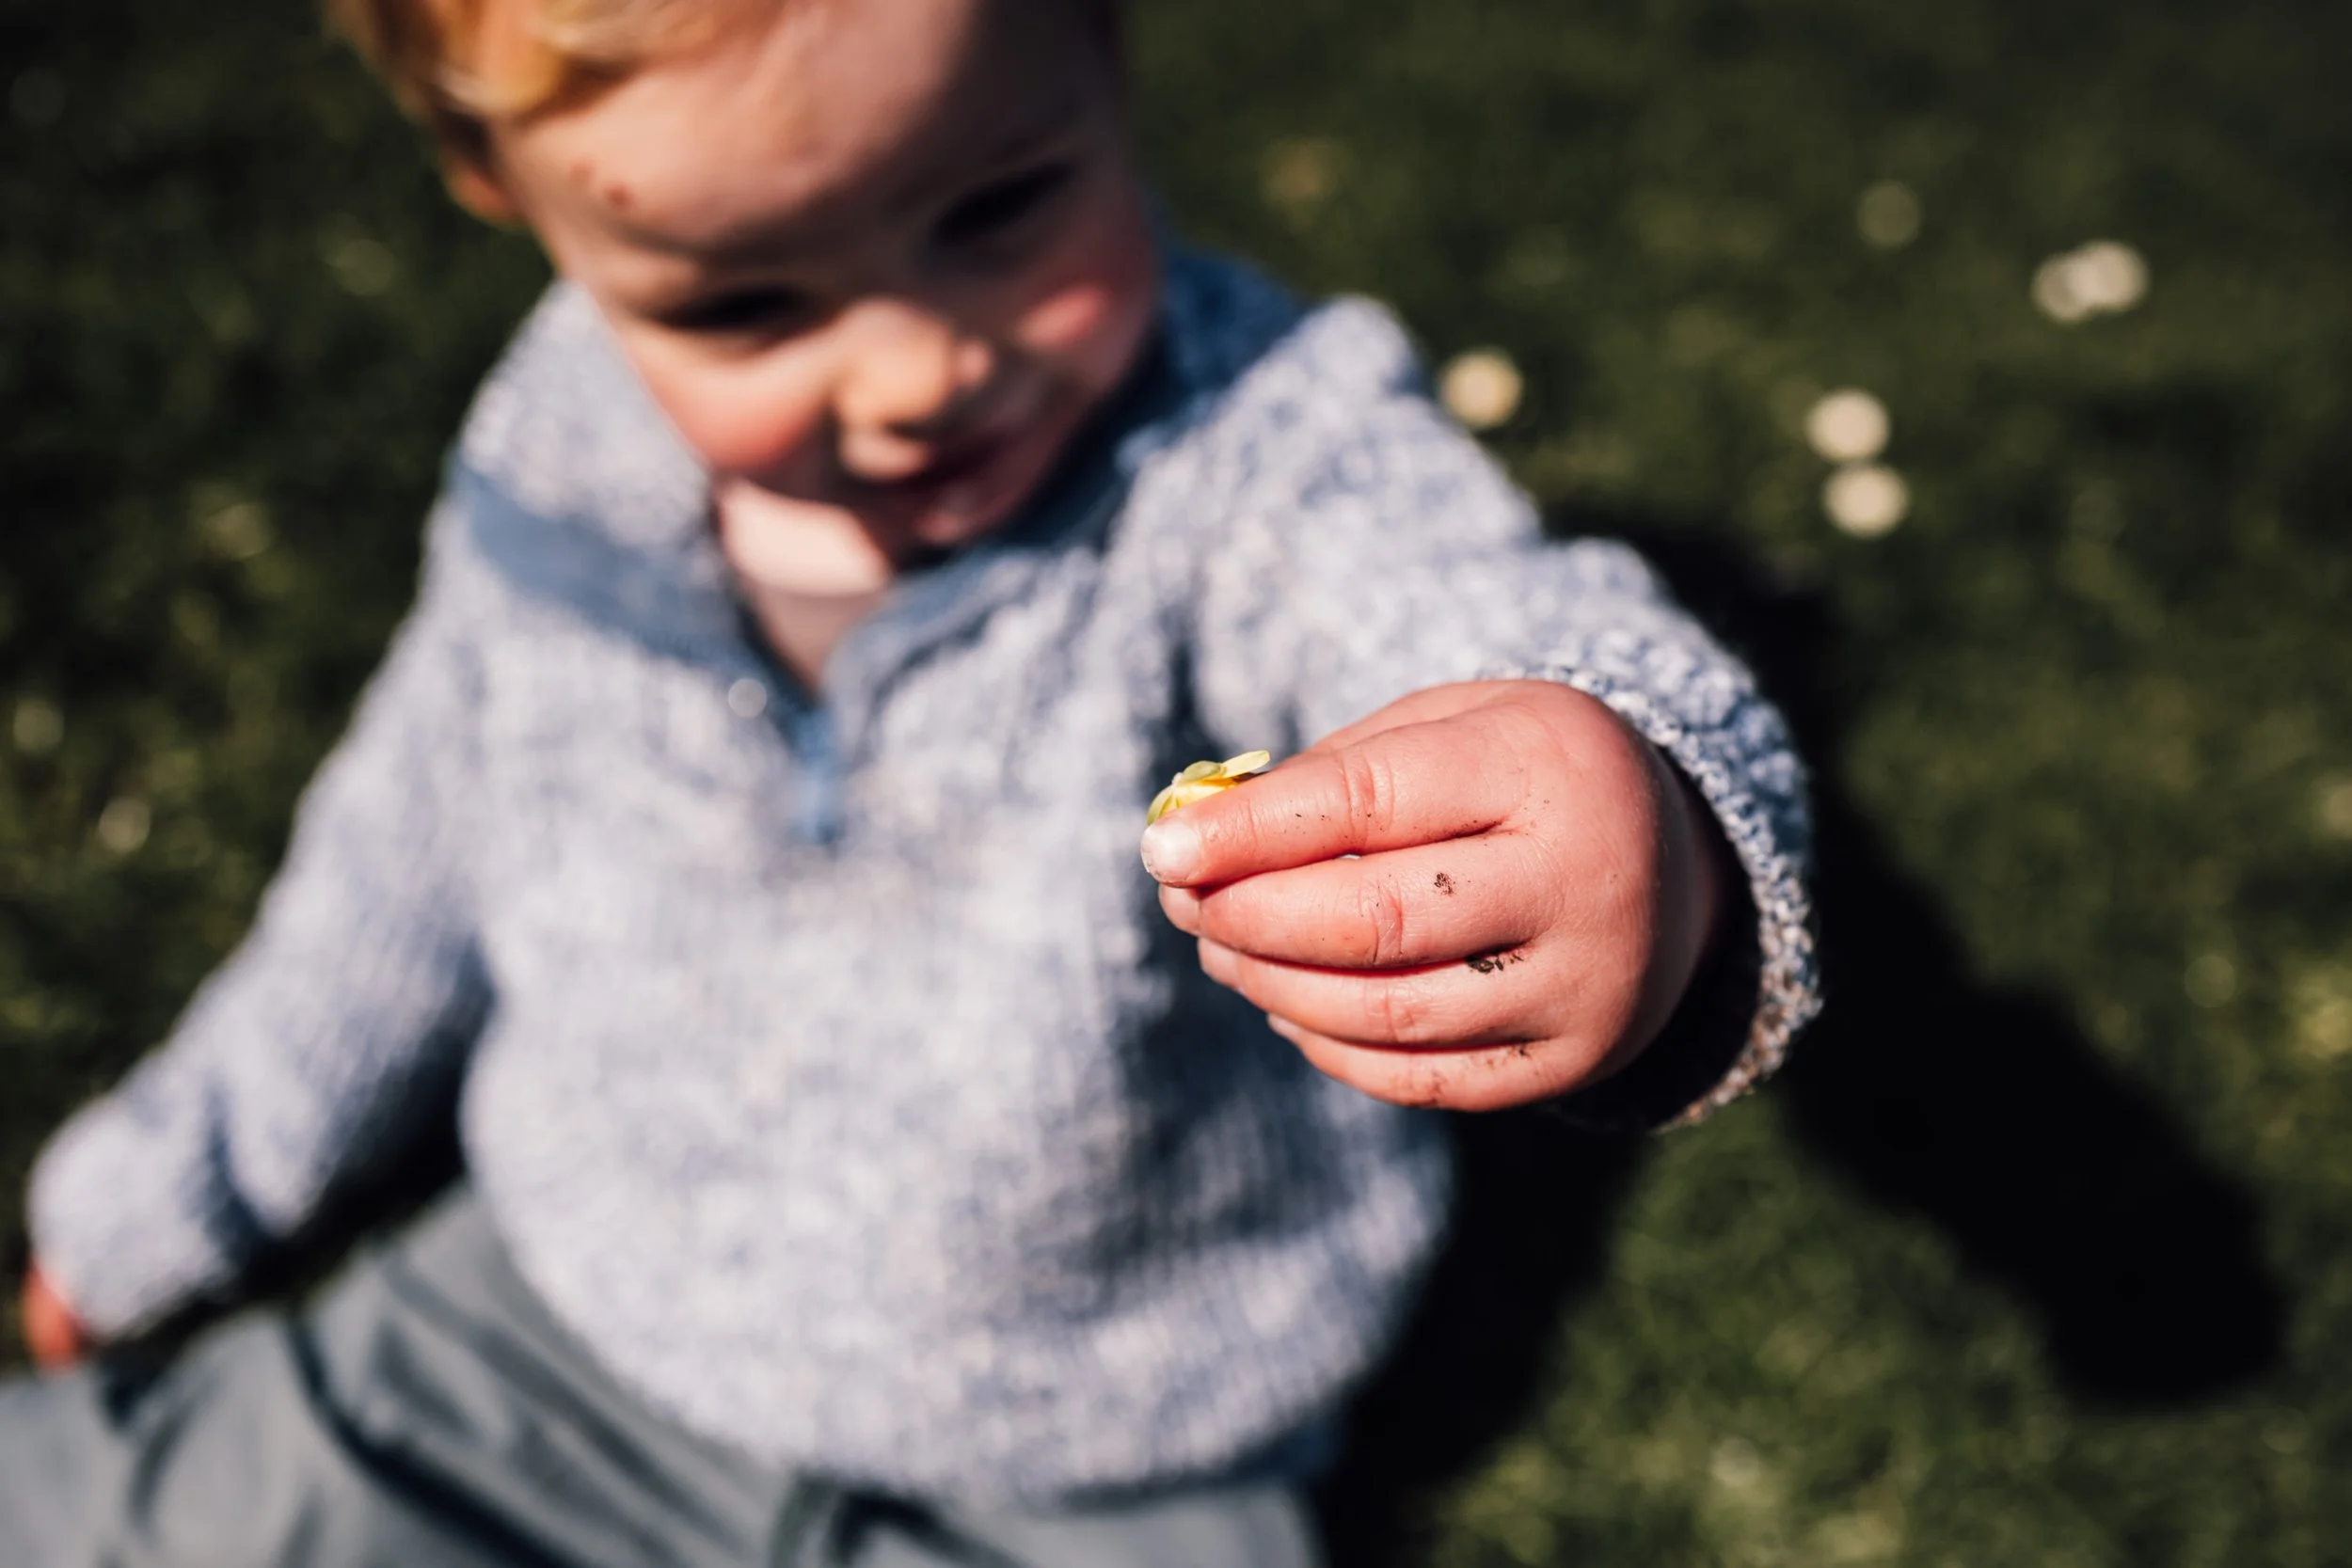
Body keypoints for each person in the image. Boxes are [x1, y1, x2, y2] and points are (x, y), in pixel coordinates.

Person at [1, 0, 1820, 1561]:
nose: (919, 369)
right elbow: (406, 857)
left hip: (1108, 1449)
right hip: (550, 1338)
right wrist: (172, 1189)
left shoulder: (1254, 449)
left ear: (1099, 45)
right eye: (749, 303)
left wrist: (1644, 813)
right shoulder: (560, 453)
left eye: (1002, 206)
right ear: (509, 192)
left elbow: (1492, 615)